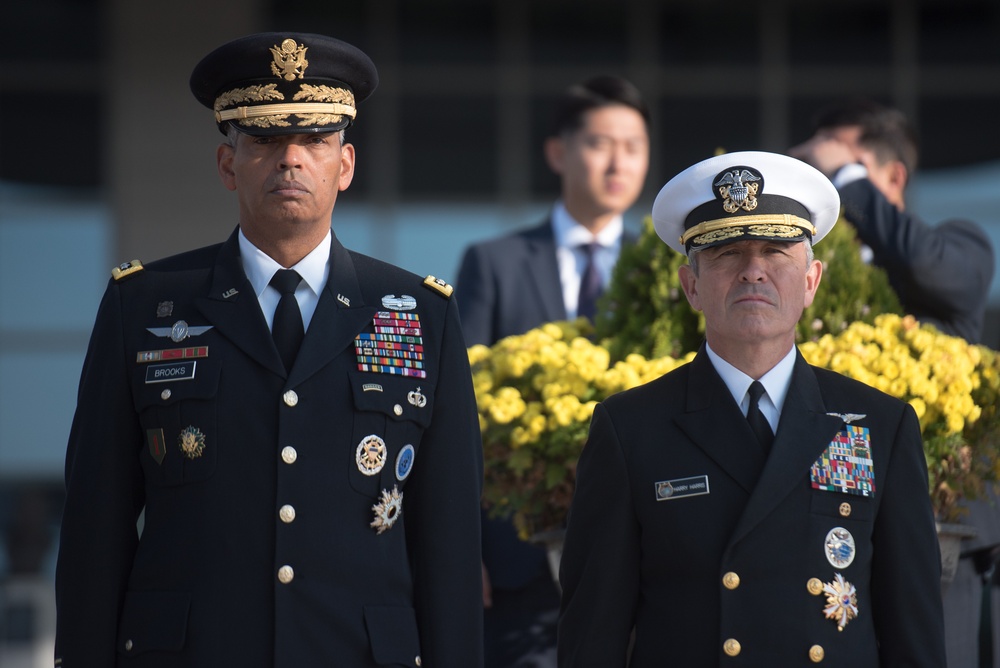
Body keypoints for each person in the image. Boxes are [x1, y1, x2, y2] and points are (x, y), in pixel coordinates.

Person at [54, 32, 484, 668]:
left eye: (315, 140)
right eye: (264, 140)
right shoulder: (143, 307)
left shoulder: (421, 313)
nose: (291, 159)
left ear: (346, 165)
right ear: (228, 166)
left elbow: (447, 541)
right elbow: (97, 526)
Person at [557, 151, 946, 666]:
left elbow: (913, 636)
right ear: (691, 286)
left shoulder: (880, 425)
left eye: (776, 251)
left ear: (811, 282)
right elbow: (593, 638)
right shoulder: (630, 430)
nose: (753, 271)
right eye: (727, 254)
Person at [791, 99, 999, 668]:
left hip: (939, 538)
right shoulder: (801, 276)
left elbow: (929, 269)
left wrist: (846, 176)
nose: (828, 191)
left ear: (891, 176)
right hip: (820, 534)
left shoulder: (956, 246)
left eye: (837, 172)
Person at [455, 76, 650, 667]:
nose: (619, 161)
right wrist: (460, 548)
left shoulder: (671, 272)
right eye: (600, 143)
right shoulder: (494, 263)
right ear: (558, 152)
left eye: (634, 146)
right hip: (517, 561)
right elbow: (456, 412)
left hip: (644, 560)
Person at [789, 98, 995, 344]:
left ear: (895, 178)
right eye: (822, 169)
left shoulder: (961, 243)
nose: (832, 184)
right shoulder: (813, 261)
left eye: (850, 167)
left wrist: (846, 174)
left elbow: (919, 262)